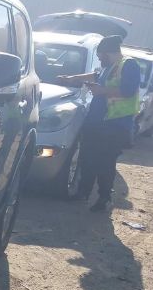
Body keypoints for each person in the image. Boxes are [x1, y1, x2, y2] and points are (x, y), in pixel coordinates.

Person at [56, 35, 141, 212]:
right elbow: (96, 75)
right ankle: (82, 192)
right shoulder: (109, 66)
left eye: (101, 55)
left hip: (114, 124)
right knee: (87, 157)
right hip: (96, 121)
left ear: (109, 52)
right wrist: (73, 79)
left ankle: (104, 198)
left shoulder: (129, 64)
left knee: (105, 162)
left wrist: (101, 90)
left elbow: (128, 91)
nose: (100, 59)